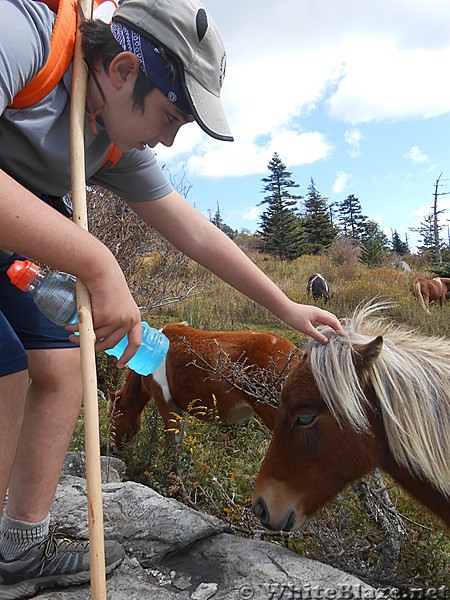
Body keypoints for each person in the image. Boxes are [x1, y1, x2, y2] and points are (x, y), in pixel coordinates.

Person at [0, 0, 344, 596]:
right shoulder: (21, 33)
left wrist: (286, 309)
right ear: (124, 70)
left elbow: (195, 232)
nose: (167, 140)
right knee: (5, 370)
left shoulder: (111, 139)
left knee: (56, 362)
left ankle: (18, 547)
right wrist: (96, 261)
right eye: (170, 117)